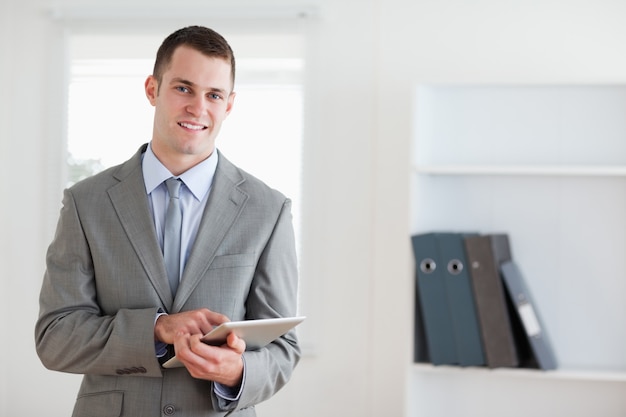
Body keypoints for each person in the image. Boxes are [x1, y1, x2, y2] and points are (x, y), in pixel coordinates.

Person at [35, 25, 301, 417]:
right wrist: (157, 330)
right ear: (152, 90)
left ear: (228, 105)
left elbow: (283, 348)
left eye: (213, 95)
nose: (198, 107)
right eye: (183, 88)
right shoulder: (86, 202)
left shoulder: (268, 209)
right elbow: (55, 338)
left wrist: (239, 371)